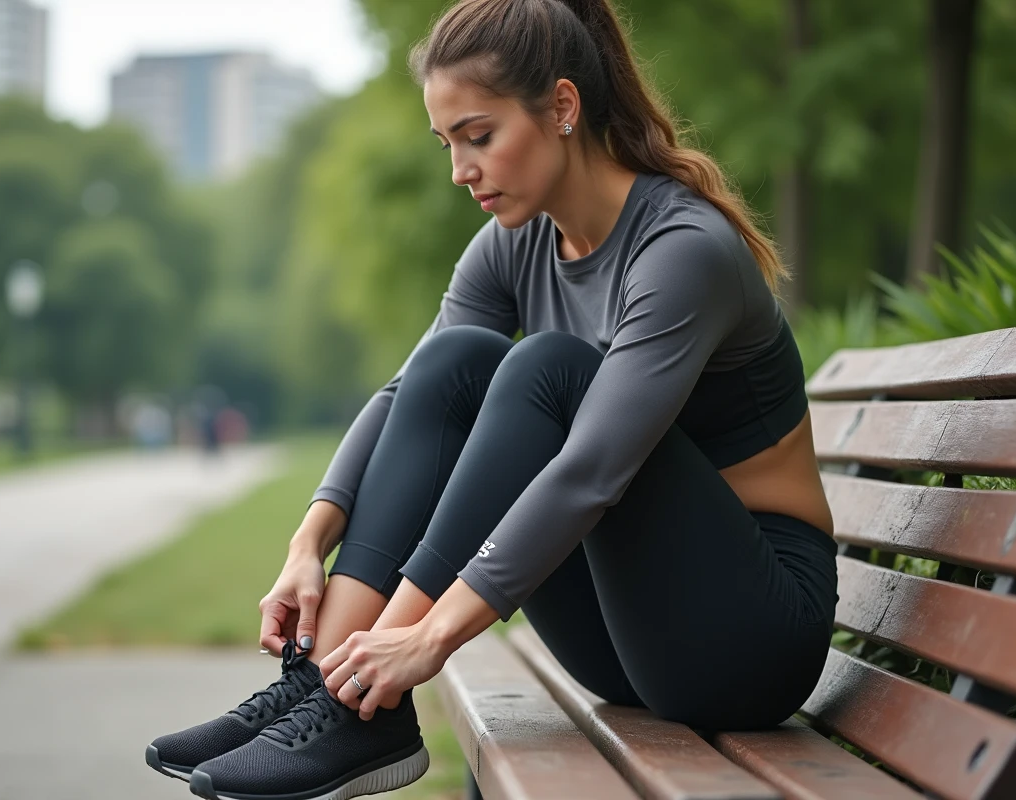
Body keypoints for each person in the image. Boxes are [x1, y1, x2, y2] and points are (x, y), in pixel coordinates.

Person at [146, 0, 839, 797]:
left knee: (547, 369)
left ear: (564, 109)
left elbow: (591, 472)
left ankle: (353, 700)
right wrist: (308, 543)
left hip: (750, 638)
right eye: (447, 144)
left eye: (480, 137)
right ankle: (328, 689)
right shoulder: (514, 244)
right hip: (628, 635)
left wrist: (427, 640)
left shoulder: (682, 250)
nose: (459, 171)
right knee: (458, 359)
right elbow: (410, 395)